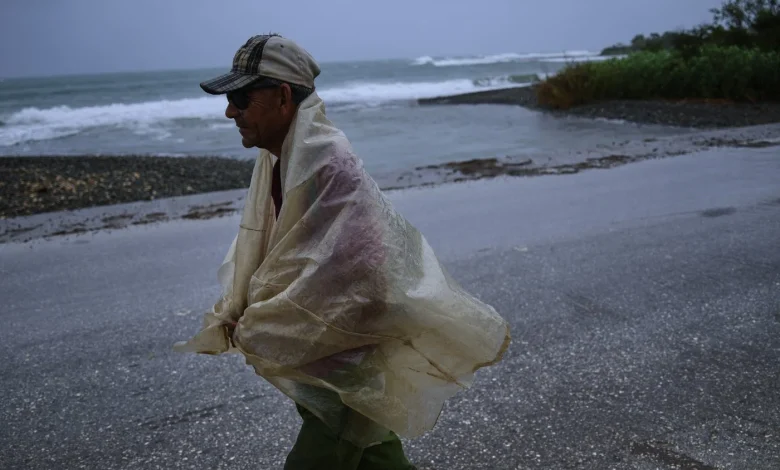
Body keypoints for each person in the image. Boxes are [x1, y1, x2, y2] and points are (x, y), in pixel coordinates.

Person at [174, 34, 511, 470]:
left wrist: (265, 320)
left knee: (330, 450)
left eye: (242, 97)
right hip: (330, 355)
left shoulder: (327, 164)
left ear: (282, 97)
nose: (229, 111)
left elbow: (361, 267)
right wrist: (251, 309)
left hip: (349, 352)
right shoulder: (284, 160)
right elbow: (292, 256)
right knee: (372, 452)